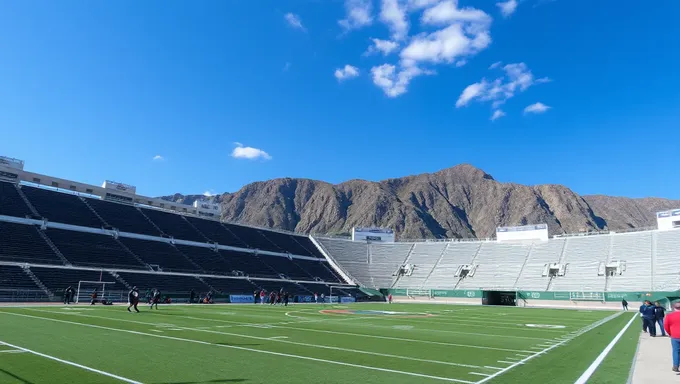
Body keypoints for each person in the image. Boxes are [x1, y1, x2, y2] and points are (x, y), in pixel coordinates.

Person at [663, 302, 680, 372]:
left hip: (675, 336)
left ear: (674, 308)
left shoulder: (669, 316)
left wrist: (670, 333)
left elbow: (666, 326)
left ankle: (675, 365)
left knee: (676, 351)